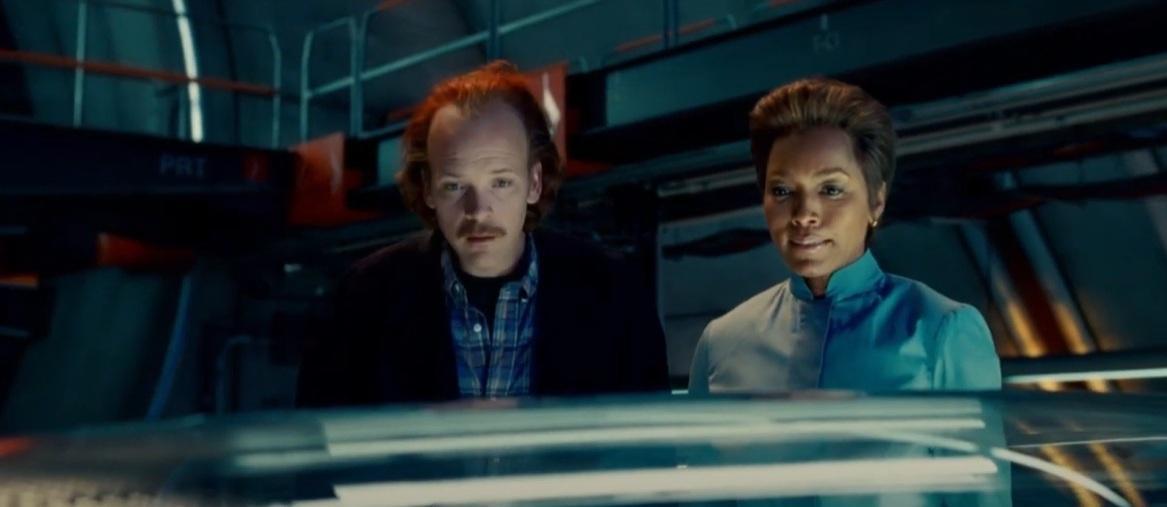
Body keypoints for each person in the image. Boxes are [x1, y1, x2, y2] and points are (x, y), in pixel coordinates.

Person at [297, 61, 670, 406]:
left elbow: (649, 445)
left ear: (534, 182)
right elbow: (318, 441)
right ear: (428, 189)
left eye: (501, 182)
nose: (477, 210)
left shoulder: (615, 294)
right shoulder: (362, 300)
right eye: (455, 186)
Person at [689, 77, 1001, 393]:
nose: (803, 215)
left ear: (876, 201)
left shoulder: (940, 330)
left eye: (831, 189)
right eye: (782, 190)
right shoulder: (720, 343)